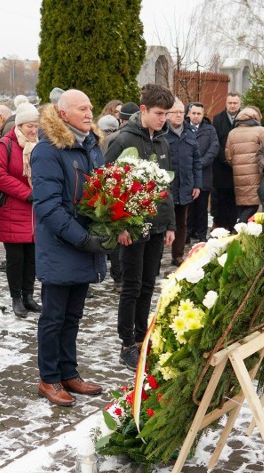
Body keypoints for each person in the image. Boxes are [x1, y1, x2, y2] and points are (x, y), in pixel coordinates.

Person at [30, 89, 108, 406]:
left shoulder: (91, 147)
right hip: (63, 246)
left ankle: (69, 373)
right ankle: (49, 379)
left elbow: (103, 196)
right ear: (62, 114)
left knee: (73, 316)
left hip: (84, 247)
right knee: (54, 318)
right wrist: (83, 239)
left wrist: (113, 226)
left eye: (91, 107)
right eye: (81, 109)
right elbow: (49, 208)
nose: (89, 113)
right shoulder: (48, 151)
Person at [104, 84, 176, 371]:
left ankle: (140, 334)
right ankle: (126, 344)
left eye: (167, 114)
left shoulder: (163, 142)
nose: (163, 119)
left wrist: (170, 223)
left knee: (149, 283)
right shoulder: (123, 141)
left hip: (157, 226)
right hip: (132, 227)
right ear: (143, 109)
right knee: (131, 286)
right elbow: (108, 185)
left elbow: (167, 185)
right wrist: (119, 224)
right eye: (159, 113)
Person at [0, 102, 41, 318]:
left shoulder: (39, 145)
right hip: (12, 210)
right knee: (16, 258)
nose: (33, 130)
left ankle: (29, 296)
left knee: (32, 258)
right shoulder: (6, 144)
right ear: (19, 125)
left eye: (36, 126)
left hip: (33, 213)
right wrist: (26, 192)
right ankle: (16, 298)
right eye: (29, 125)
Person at [103, 101, 141, 293]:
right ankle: (121, 277)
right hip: (122, 192)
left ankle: (119, 278)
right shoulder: (117, 139)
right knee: (121, 237)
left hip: (123, 193)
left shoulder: (115, 137)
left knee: (120, 239)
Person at [165, 98, 202, 266]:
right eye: (175, 112)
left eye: (181, 112)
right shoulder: (162, 133)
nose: (179, 115)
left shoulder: (190, 133)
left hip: (185, 185)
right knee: (161, 223)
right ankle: (156, 257)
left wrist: (197, 184)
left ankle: (177, 255)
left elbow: (196, 161)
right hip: (167, 187)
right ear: (167, 114)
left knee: (182, 222)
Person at [225, 106, 264, 223]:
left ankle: (240, 234)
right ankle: (238, 231)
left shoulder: (232, 133)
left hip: (238, 177)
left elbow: (229, 157)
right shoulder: (262, 131)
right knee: (253, 206)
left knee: (243, 206)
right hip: (256, 175)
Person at [186, 102, 219, 243]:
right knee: (188, 207)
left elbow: (214, 148)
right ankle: (186, 233)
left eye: (199, 113)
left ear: (203, 114)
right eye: (193, 113)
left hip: (204, 174)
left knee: (202, 206)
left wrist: (200, 163)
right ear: (188, 114)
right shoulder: (184, 129)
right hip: (187, 174)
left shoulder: (210, 130)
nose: (196, 116)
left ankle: (201, 233)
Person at [211, 92, 241, 232]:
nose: (232, 105)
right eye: (230, 103)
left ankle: (233, 226)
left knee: (235, 199)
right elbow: (215, 141)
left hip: (239, 166)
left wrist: (236, 160)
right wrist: (226, 159)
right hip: (221, 166)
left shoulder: (243, 119)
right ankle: (220, 226)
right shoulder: (218, 119)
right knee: (221, 199)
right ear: (226, 103)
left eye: (235, 103)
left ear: (240, 104)